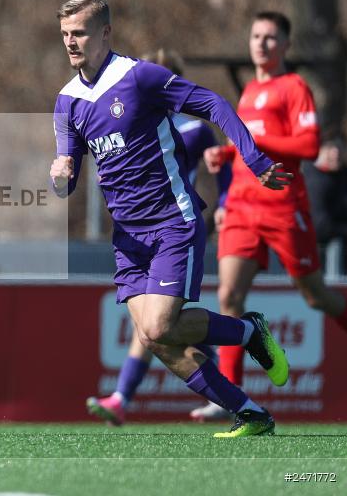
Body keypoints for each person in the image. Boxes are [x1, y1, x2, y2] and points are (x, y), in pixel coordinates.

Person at [50, 0, 292, 438]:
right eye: (65, 34)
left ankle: (246, 331)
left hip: (170, 223)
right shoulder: (67, 102)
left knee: (160, 326)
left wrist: (256, 162)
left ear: (105, 33)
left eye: (79, 32)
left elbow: (215, 105)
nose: (70, 42)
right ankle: (250, 410)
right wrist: (60, 173)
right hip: (127, 237)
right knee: (156, 339)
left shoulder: (138, 77)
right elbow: (65, 173)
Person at [191, 11, 347, 421]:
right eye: (256, 36)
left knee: (316, 295)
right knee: (229, 297)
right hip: (243, 207)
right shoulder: (246, 95)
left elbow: (309, 145)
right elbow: (249, 147)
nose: (261, 43)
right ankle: (229, 399)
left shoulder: (293, 87)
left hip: (282, 206)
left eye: (270, 37)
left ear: (285, 45)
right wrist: (226, 153)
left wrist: (259, 138)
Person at [85, 49, 230, 426]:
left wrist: (225, 203)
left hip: (176, 224)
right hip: (138, 234)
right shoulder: (126, 124)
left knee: (158, 324)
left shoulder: (193, 129)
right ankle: (224, 392)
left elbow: (221, 168)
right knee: (157, 326)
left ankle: (122, 396)